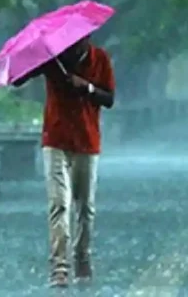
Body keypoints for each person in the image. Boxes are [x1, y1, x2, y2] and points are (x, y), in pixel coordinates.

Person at [13, 35, 115, 287]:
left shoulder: (99, 58)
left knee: (85, 206)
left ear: (88, 39)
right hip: (55, 139)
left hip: (87, 141)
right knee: (59, 203)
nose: (73, 45)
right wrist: (33, 60)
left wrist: (87, 87)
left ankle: (82, 256)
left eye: (79, 41)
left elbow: (109, 99)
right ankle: (59, 267)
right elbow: (18, 80)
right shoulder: (53, 59)